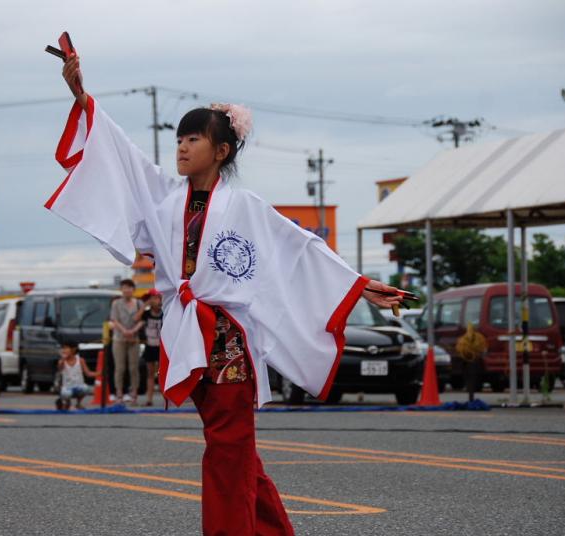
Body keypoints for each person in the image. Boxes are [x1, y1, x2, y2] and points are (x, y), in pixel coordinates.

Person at [47, 54, 403, 535]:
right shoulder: (164, 198)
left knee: (228, 446)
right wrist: (81, 96)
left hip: (228, 337)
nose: (182, 147)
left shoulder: (245, 207)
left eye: (194, 139)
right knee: (234, 447)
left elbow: (301, 248)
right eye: (179, 138)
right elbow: (122, 156)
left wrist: (360, 285)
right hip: (187, 333)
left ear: (222, 151)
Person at [109, 279, 143, 404]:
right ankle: (119, 393)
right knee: (120, 367)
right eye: (124, 287)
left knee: (134, 367)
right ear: (121, 290)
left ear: (133, 289)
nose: (126, 290)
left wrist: (133, 330)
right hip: (119, 338)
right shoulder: (116, 303)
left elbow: (142, 319)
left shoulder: (139, 303)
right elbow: (114, 320)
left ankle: (134, 393)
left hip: (134, 339)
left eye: (129, 287)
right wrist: (125, 331)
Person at [135, 288, 163, 406]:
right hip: (150, 345)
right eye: (152, 298)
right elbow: (136, 319)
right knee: (150, 373)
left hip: (162, 346)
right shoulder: (146, 314)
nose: (155, 301)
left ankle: (166, 398)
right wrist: (145, 305)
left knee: (163, 373)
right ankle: (149, 398)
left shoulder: (164, 312)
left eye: (157, 298)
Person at [55, 342, 96, 410]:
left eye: (66, 348)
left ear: (73, 349)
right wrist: (63, 359)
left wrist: (100, 373)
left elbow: (88, 373)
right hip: (67, 387)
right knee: (66, 394)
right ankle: (67, 402)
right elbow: (60, 368)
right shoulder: (62, 361)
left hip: (78, 386)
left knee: (86, 389)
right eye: (63, 348)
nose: (63, 350)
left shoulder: (80, 360)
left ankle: (78, 403)